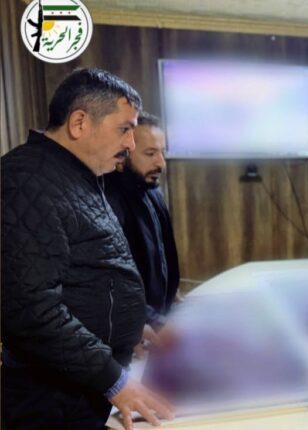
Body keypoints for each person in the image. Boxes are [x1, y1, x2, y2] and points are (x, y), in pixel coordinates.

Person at [1, 68, 172, 429]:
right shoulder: (26, 181)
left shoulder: (75, 175)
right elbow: (32, 309)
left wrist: (130, 326)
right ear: (79, 123)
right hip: (53, 400)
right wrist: (114, 380)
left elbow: (90, 273)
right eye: (124, 129)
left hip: (80, 389)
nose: (130, 143)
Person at [105, 112, 180, 344]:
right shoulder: (108, 200)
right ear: (123, 153)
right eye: (150, 153)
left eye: (162, 152)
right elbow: (112, 279)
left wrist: (171, 295)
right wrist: (150, 320)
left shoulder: (152, 190)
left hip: (157, 319)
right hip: (133, 330)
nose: (161, 163)